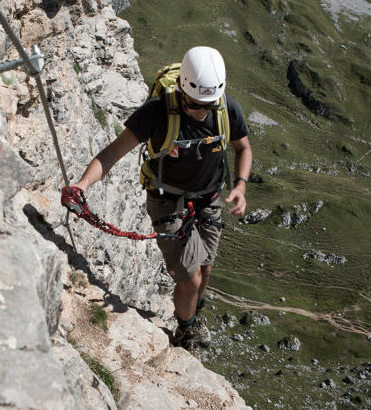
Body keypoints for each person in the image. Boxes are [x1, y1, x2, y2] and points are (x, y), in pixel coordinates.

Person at [66, 46, 252, 349]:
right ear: (181, 88)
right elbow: (113, 152)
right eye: (194, 105)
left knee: (205, 270)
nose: (201, 111)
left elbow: (243, 147)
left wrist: (241, 185)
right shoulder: (157, 112)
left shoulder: (225, 107)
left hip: (208, 200)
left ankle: (191, 310)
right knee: (190, 279)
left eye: (207, 105)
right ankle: (186, 329)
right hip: (168, 201)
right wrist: (82, 185)